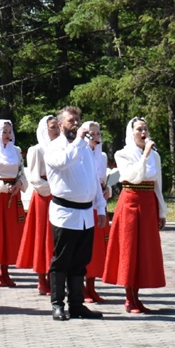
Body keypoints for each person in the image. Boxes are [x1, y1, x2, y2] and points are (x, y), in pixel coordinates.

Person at [43, 106, 106, 321]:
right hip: (65, 212)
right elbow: (63, 163)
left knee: (81, 261)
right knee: (61, 260)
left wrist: (100, 205)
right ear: (60, 125)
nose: (76, 124)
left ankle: (77, 304)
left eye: (78, 120)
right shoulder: (54, 148)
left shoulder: (86, 150)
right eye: (71, 120)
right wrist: (79, 141)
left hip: (86, 213)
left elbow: (93, 179)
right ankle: (57, 304)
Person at [102, 117, 167, 314]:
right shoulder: (123, 154)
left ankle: (137, 296)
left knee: (144, 250)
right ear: (131, 133)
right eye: (139, 129)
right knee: (129, 248)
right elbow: (133, 176)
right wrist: (144, 155)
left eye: (145, 128)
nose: (143, 132)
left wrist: (162, 210)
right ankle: (129, 297)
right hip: (130, 201)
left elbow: (158, 185)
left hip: (148, 203)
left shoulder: (155, 156)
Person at [16, 114, 59, 295]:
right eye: (52, 127)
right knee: (42, 236)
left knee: (56, 238)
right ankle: (42, 278)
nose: (56, 130)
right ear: (44, 129)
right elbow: (33, 177)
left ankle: (54, 276)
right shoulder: (36, 150)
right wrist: (53, 189)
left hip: (59, 195)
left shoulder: (61, 148)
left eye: (58, 127)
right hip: (44, 197)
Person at [0, 118, 28, 287]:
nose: (7, 135)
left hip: (12, 195)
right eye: (4, 132)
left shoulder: (16, 151)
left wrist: (19, 184)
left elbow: (22, 172)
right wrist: (1, 187)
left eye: (9, 131)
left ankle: (6, 271)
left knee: (10, 233)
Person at [81, 120, 110, 304]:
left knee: (97, 247)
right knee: (84, 245)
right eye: (92, 133)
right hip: (84, 201)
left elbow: (104, 179)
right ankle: (80, 288)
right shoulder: (80, 153)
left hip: (98, 203)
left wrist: (108, 191)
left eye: (98, 133)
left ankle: (92, 286)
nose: (96, 137)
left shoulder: (102, 156)